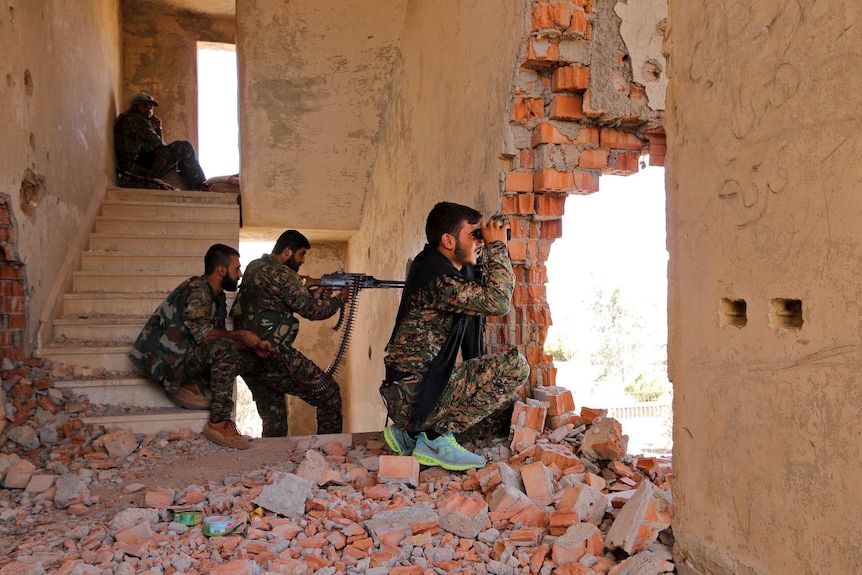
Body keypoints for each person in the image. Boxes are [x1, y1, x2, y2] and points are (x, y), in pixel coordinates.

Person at [381, 202, 530, 471]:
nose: (480, 242)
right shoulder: (439, 279)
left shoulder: (432, 266)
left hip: (411, 392)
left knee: (501, 412)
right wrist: (497, 247)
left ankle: (411, 434)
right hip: (414, 395)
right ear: (448, 240)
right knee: (515, 367)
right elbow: (497, 302)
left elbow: (478, 282)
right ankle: (434, 439)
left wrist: (486, 243)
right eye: (473, 236)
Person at [129, 244, 272, 449]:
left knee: (248, 357)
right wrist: (240, 334)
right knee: (224, 349)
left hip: (184, 356)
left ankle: (190, 385)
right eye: (236, 268)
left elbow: (218, 337)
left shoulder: (217, 296)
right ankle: (218, 423)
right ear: (221, 270)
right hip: (166, 362)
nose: (240, 274)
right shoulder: (198, 289)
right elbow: (204, 334)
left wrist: (253, 345)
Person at [230, 230, 348, 437]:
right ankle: (330, 452)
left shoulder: (255, 266)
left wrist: (313, 288)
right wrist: (340, 299)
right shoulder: (283, 274)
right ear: (287, 251)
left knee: (275, 421)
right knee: (328, 393)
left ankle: (271, 464)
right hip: (272, 353)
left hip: (247, 355)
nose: (302, 260)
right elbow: (313, 311)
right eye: (301, 254)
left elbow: (286, 288)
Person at [114, 92, 209, 191]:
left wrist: (159, 128)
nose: (148, 110)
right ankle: (201, 185)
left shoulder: (137, 120)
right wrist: (171, 156)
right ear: (135, 107)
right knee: (184, 147)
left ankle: (197, 187)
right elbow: (157, 143)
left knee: (179, 159)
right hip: (138, 166)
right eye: (144, 106)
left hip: (142, 163)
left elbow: (158, 146)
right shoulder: (134, 119)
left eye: (150, 107)